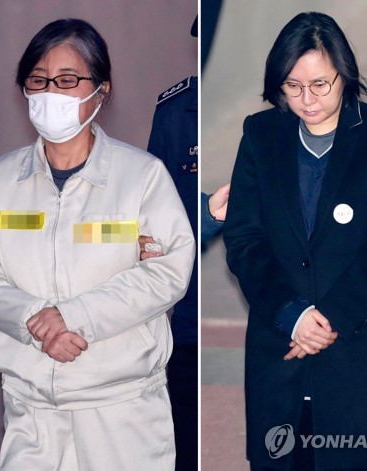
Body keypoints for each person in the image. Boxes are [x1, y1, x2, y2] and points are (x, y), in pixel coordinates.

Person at [0, 18, 194, 470]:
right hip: (31, 407)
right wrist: (35, 321)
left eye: (66, 80)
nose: (50, 94)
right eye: (38, 80)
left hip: (121, 408)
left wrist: (73, 317)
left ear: (101, 90)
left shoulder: (141, 177)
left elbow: (168, 271)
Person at [223, 11, 367, 471]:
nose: (307, 99)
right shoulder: (260, 134)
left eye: (320, 84)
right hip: (281, 345)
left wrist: (325, 321)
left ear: (344, 74)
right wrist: (292, 315)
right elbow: (244, 240)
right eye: (292, 86)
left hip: (361, 346)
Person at [146, 17, 198, 470]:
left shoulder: (290, 106)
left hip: (272, 297)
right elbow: (152, 209)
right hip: (190, 307)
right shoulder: (175, 111)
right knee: (185, 432)